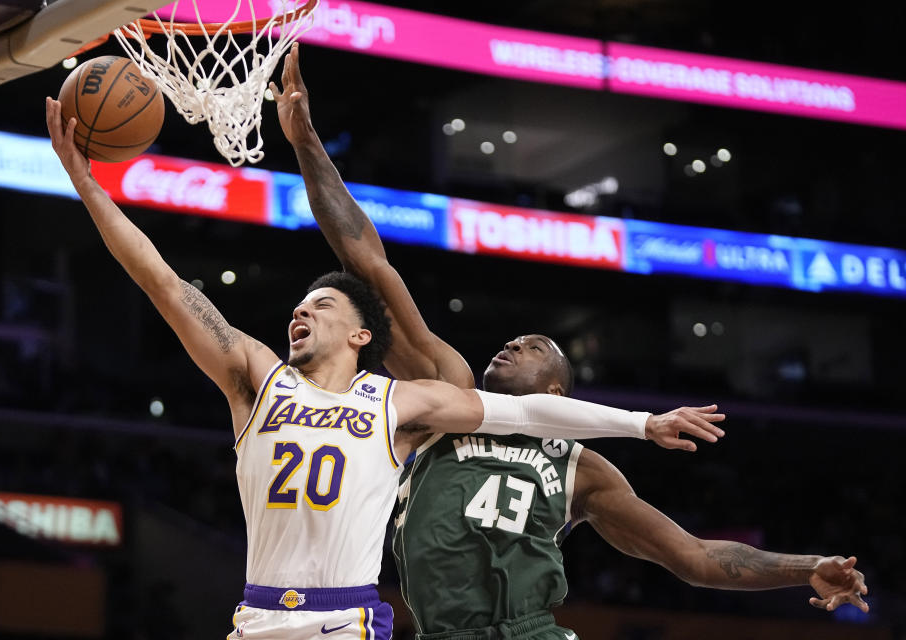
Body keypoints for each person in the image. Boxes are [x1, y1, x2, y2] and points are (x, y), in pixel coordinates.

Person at [45, 95, 724, 640]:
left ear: (361, 333)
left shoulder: (397, 404)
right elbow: (162, 281)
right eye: (298, 306)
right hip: (255, 618)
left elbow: (531, 411)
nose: (300, 313)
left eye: (322, 303)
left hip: (346, 620)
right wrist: (86, 183)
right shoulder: (256, 377)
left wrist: (642, 423)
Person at [270, 43, 869, 640]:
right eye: (511, 339)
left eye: (531, 345)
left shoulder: (586, 471)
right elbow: (366, 261)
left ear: (557, 388)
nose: (509, 346)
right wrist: (305, 142)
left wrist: (806, 566)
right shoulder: (446, 393)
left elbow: (695, 558)